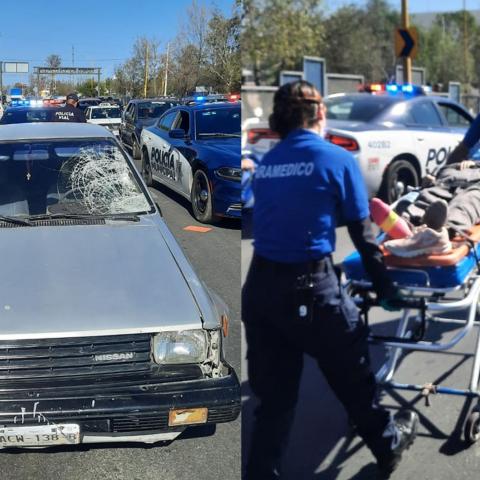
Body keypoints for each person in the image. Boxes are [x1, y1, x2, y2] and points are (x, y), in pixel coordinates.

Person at [242, 80, 418, 480]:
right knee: (354, 380)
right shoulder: (335, 160)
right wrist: (387, 289)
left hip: (260, 291)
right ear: (319, 115)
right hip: (311, 291)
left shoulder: (268, 164)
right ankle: (388, 445)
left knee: (274, 403)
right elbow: (364, 236)